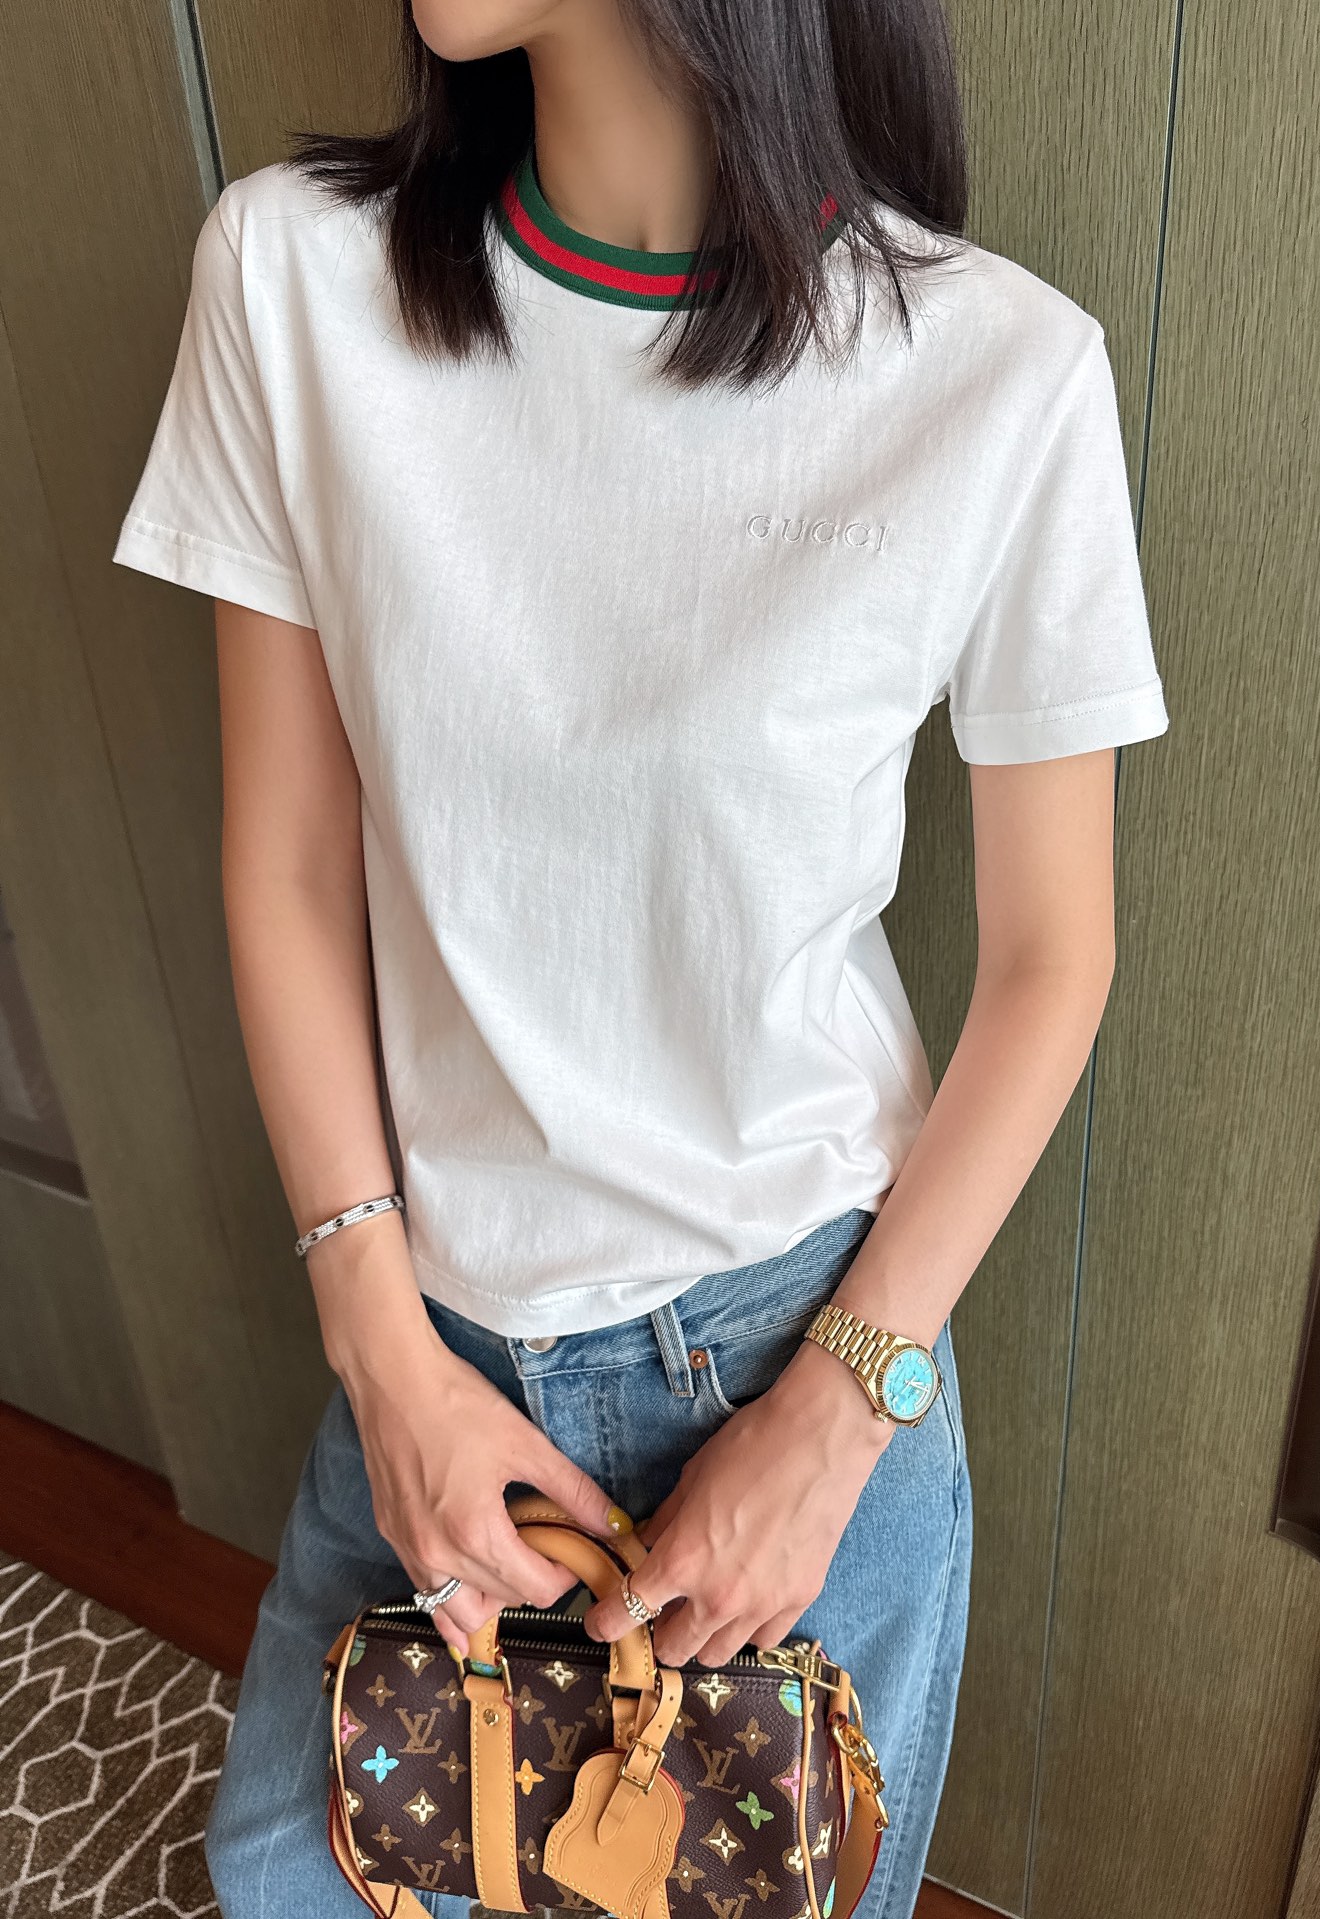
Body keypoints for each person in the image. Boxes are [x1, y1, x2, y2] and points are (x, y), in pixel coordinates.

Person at [111, 1, 1169, 1913]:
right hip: (427, 1339)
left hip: (799, 1349)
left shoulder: (1001, 376)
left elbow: (1052, 960)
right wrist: (381, 1355)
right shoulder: (290, 280)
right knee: (284, 1875)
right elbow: (288, 867)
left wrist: (838, 1415)